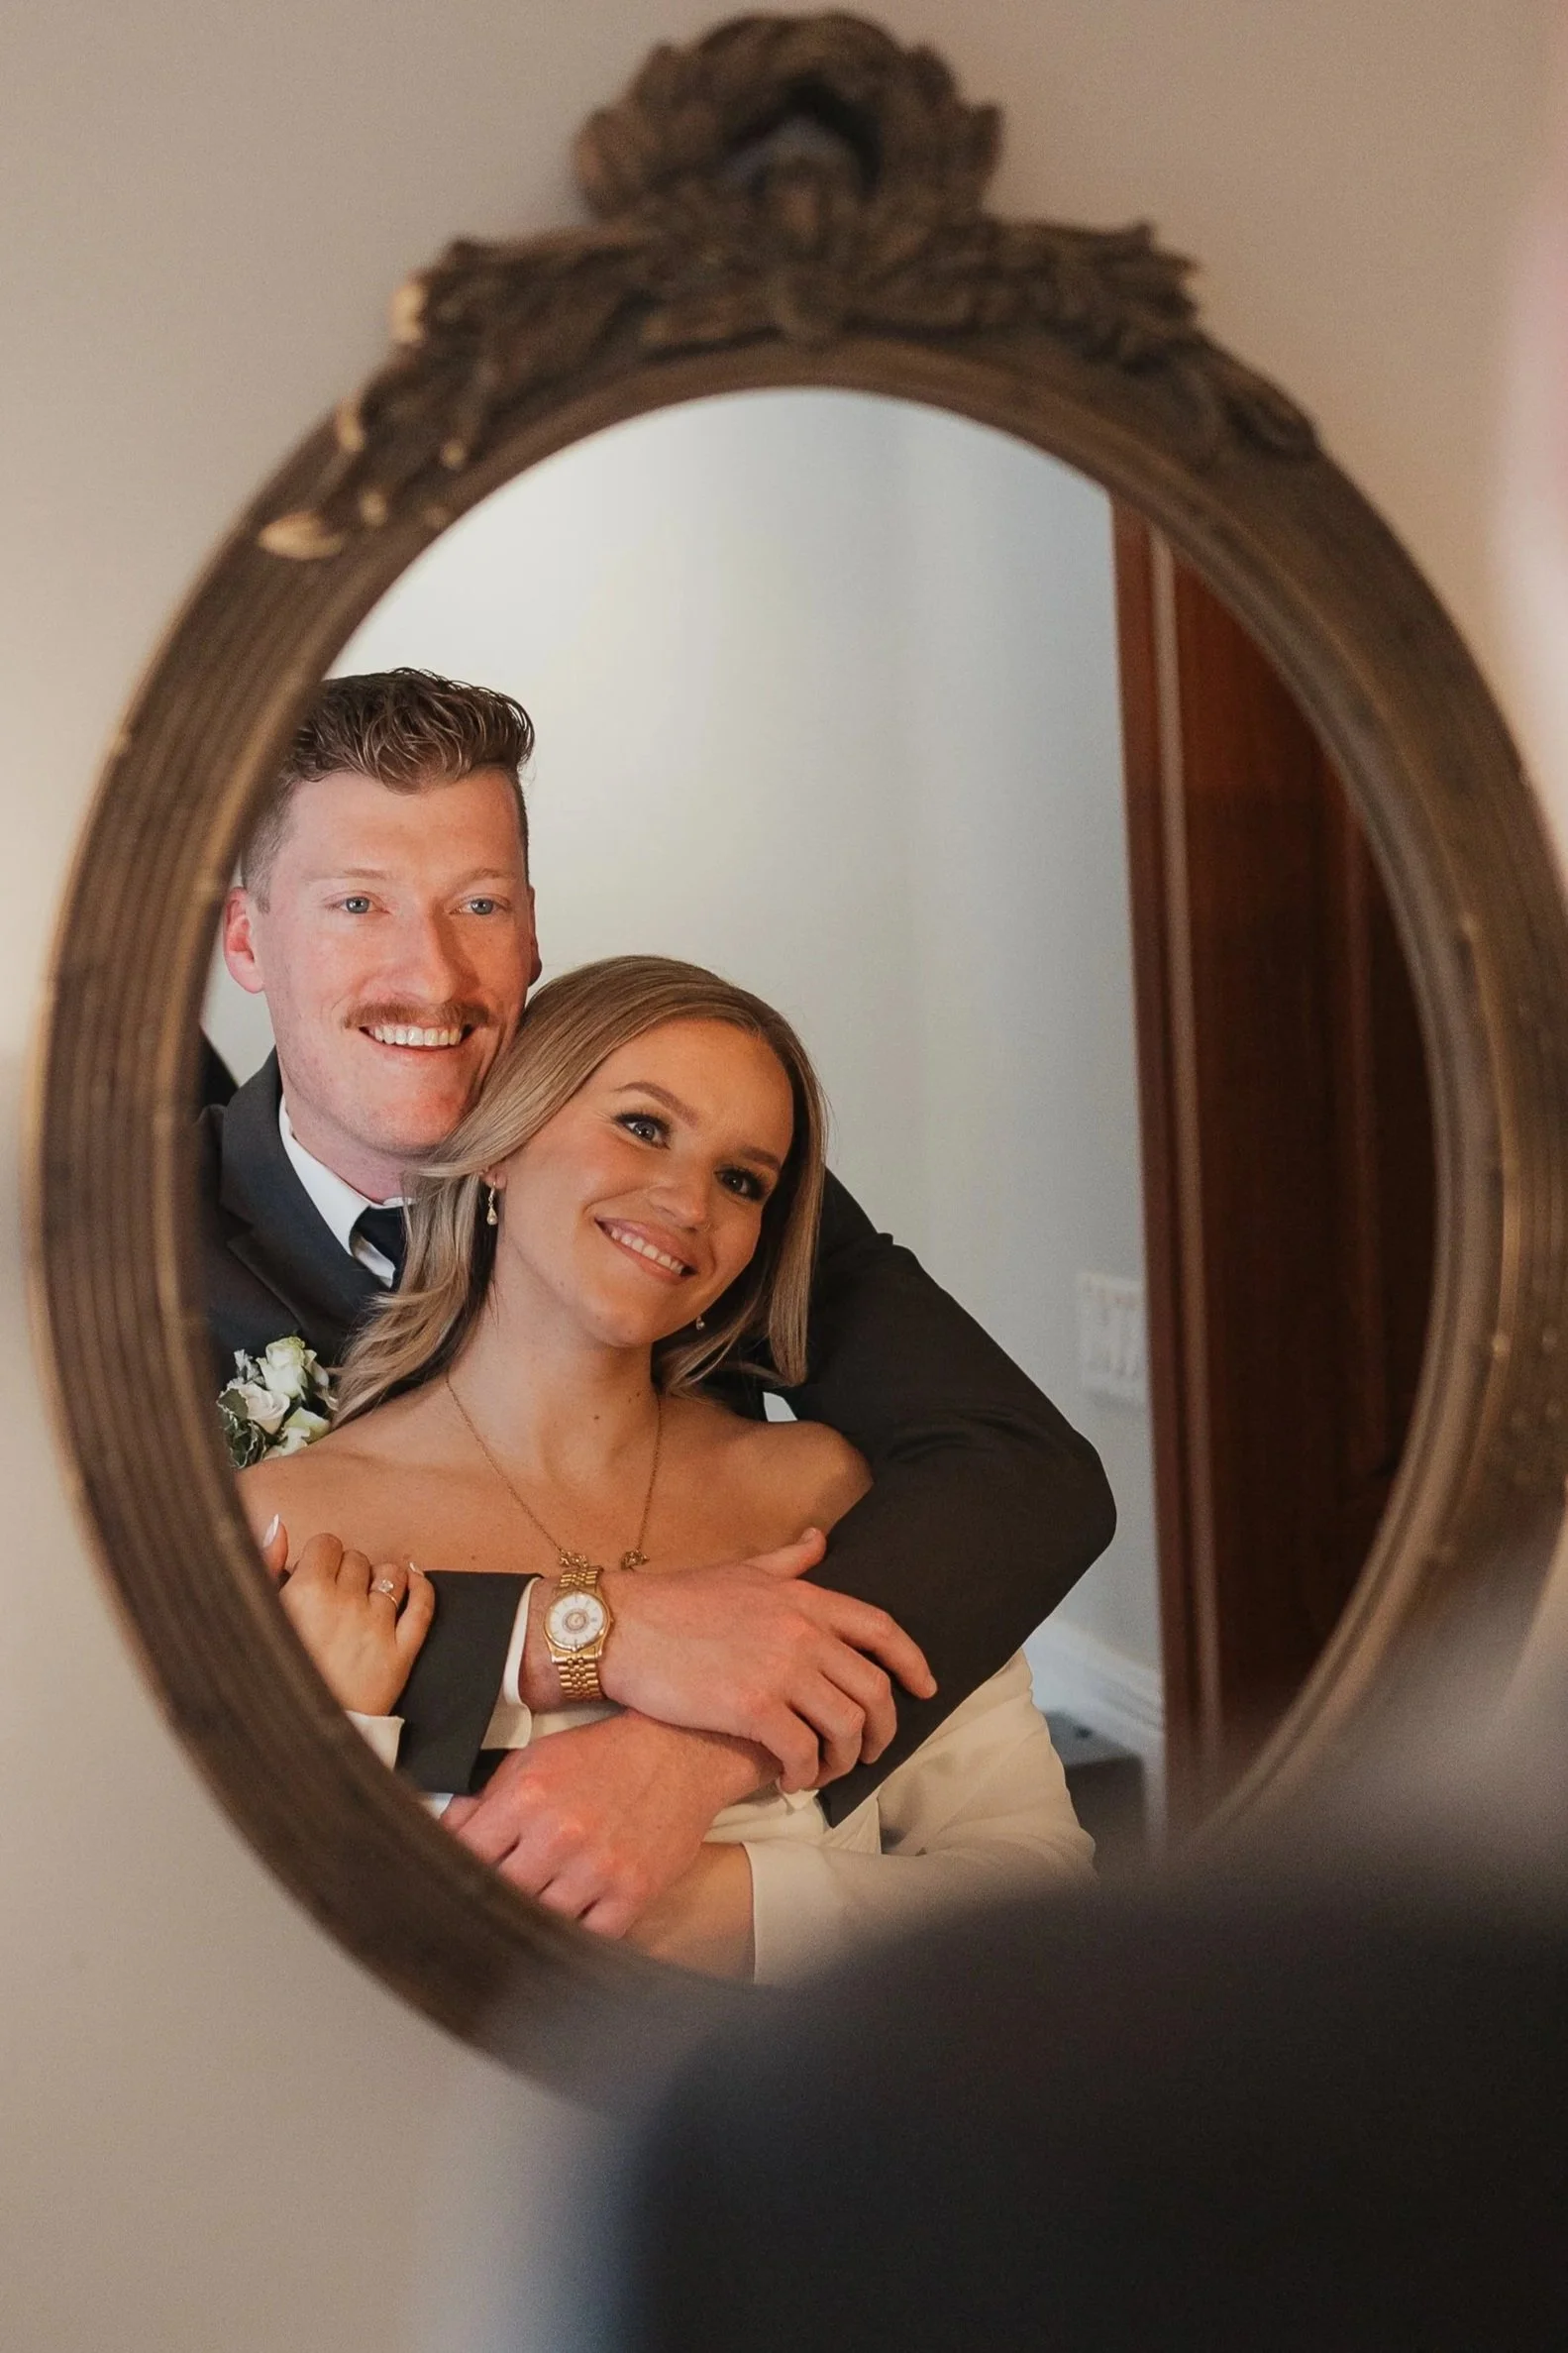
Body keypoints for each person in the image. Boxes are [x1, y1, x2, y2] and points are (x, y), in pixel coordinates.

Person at [201, 668, 1112, 1922]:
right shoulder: (111, 1252)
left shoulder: (679, 1208)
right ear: (247, 938)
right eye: (357, 902)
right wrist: (584, 1631)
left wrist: (691, 1764)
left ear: (531, 936)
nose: (433, 970)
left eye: (479, 903)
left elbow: (1019, 1472)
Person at [240, 956, 1094, 1975]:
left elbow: (1038, 1893)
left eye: (742, 1179)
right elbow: (240, 1974)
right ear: (503, 1142)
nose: (690, 1200)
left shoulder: (828, 1495)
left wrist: (729, 1902)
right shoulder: (293, 1520)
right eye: (643, 1125)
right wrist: (341, 1731)